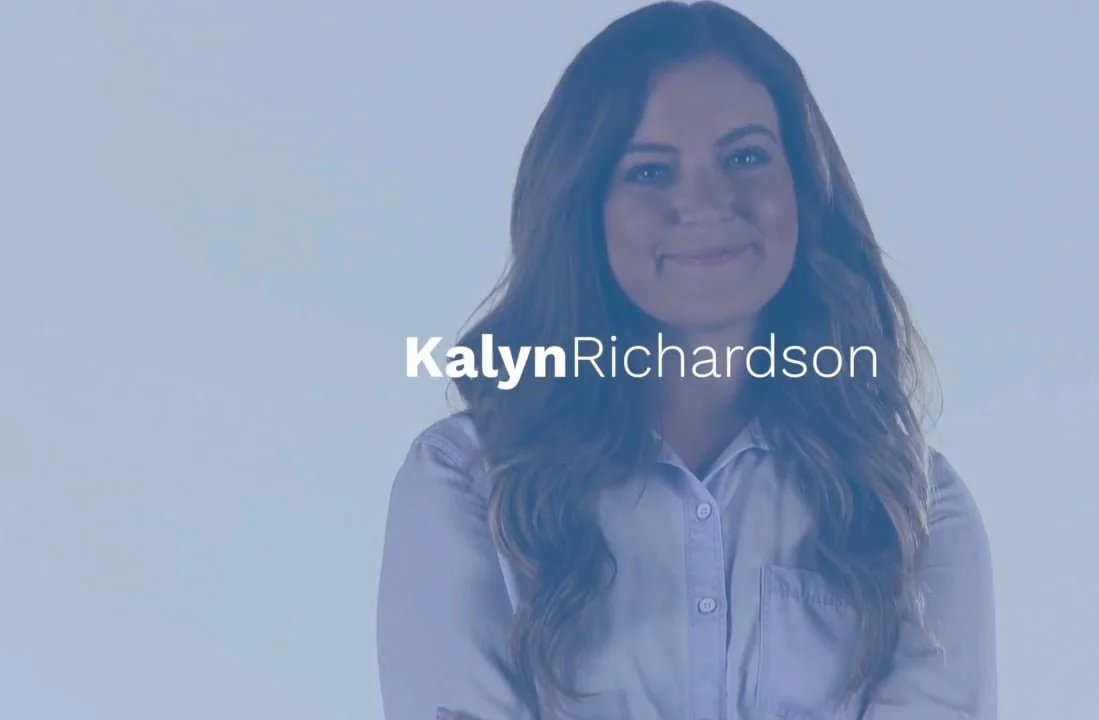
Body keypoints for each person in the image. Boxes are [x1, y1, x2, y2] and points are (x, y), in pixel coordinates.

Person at [376, 2, 996, 719]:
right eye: (649, 172)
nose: (705, 202)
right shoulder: (468, 486)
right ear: (583, 206)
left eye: (746, 157)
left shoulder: (916, 510)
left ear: (806, 188)